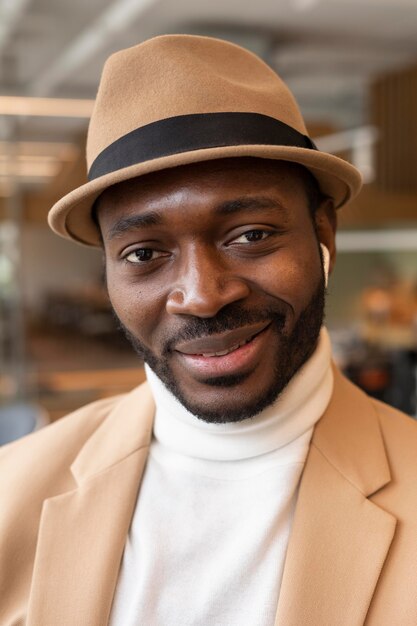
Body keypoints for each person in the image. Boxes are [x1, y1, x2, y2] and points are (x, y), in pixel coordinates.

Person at [1, 34, 416, 626]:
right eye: (144, 253)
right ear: (108, 276)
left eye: (251, 235)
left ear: (323, 232)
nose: (200, 295)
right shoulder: (11, 494)